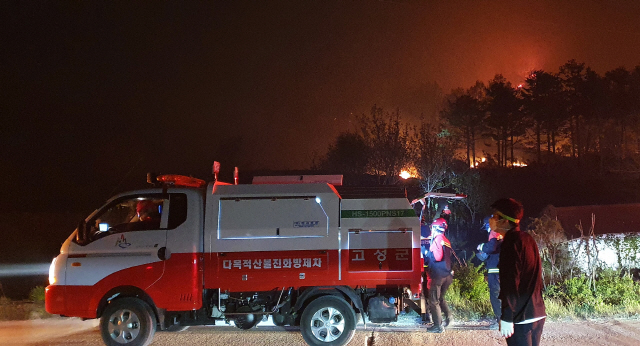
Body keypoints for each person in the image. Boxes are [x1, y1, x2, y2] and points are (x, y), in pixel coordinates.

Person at [490, 198, 546, 346]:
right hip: (537, 312)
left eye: (495, 217)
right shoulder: (527, 239)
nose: (492, 220)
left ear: (505, 221)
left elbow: (510, 282)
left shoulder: (510, 243)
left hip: (521, 317)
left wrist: (507, 316)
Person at [425, 217, 453, 333]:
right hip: (447, 275)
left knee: (433, 300)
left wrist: (427, 252)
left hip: (438, 275)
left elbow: (437, 257)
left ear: (435, 228)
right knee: (440, 298)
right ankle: (449, 319)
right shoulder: (446, 240)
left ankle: (438, 326)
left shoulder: (437, 239)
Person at [477, 216, 503, 328]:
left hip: (495, 270)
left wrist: (482, 247)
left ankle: (500, 321)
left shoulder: (494, 232)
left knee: (495, 296)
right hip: (505, 269)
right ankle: (508, 320)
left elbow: (491, 247)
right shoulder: (504, 233)